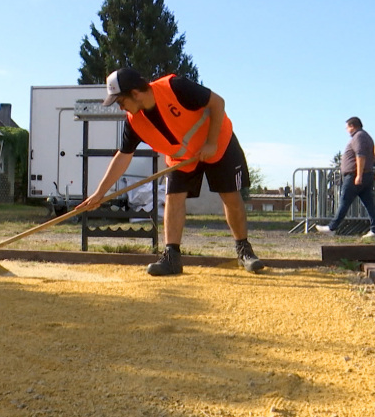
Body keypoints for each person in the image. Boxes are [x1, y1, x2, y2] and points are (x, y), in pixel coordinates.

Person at [76, 68, 264, 276]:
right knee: (173, 198)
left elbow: (217, 102)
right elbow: (123, 156)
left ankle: (244, 251)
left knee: (230, 195)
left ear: (135, 94)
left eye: (120, 101)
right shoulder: (133, 121)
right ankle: (172, 257)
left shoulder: (176, 87)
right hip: (182, 158)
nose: (121, 107)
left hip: (218, 144)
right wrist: (99, 194)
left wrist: (211, 143)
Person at [316, 117, 375, 239]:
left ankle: (332, 227)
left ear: (352, 126)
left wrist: (359, 175)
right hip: (365, 174)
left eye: (347, 127)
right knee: (369, 204)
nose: (346, 130)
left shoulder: (359, 137)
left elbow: (360, 156)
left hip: (355, 175)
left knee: (344, 201)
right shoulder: (365, 136)